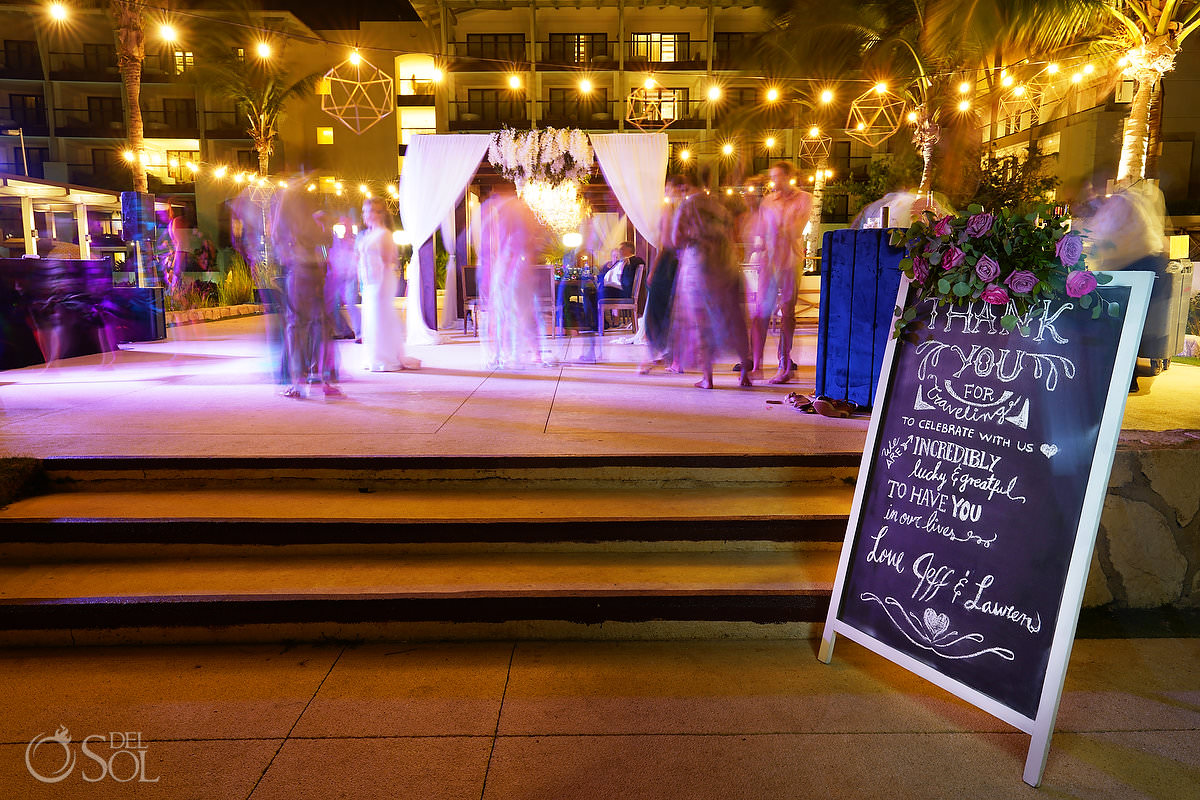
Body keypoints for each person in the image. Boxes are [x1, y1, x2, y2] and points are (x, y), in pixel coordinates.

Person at [669, 169, 752, 389]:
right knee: (735, 317)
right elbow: (733, 236)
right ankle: (745, 373)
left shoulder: (687, 206)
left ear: (685, 185)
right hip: (727, 266)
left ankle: (708, 378)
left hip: (700, 268)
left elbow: (675, 238)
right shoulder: (719, 206)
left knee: (701, 321)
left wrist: (694, 236)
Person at [272, 185, 340, 399]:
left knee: (301, 327)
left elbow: (276, 234)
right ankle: (318, 380)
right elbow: (325, 242)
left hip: (304, 272)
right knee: (316, 326)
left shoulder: (296, 216)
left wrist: (287, 256)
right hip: (312, 272)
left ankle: (301, 382)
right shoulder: (304, 216)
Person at [751, 161, 813, 384]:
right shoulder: (768, 201)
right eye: (772, 177)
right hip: (769, 261)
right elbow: (760, 231)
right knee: (761, 312)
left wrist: (775, 230)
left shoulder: (804, 198)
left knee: (788, 312)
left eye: (777, 176)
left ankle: (784, 363)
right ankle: (756, 365)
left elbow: (795, 229)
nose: (774, 181)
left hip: (790, 261)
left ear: (789, 177)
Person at [479, 187, 549, 369]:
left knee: (520, 312)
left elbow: (519, 251)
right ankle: (506, 353)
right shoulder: (504, 224)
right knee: (508, 313)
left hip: (515, 273)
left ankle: (528, 353)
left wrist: (509, 273)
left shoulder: (514, 226)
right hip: (507, 272)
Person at [356, 198, 420, 372]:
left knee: (380, 318)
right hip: (369, 282)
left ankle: (385, 357)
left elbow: (387, 263)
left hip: (381, 281)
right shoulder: (368, 234)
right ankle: (373, 356)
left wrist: (381, 287)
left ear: (379, 213)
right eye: (364, 211)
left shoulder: (384, 234)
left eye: (369, 211)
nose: (366, 215)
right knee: (371, 319)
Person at [640, 175, 689, 373]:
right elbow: (665, 241)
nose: (666, 192)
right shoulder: (675, 209)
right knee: (667, 308)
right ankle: (670, 357)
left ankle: (658, 356)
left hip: (673, 262)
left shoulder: (677, 210)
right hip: (673, 261)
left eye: (669, 188)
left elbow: (669, 242)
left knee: (664, 309)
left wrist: (655, 268)